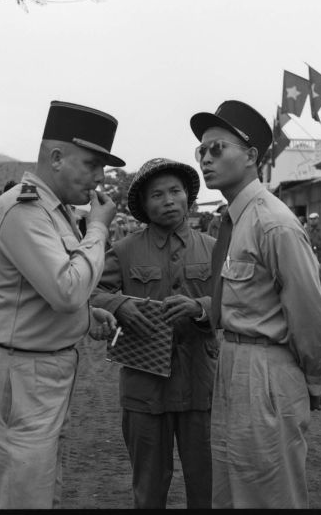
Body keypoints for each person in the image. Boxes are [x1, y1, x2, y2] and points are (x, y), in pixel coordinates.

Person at [0, 100, 124, 509]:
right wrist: (99, 229)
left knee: (36, 491)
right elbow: (66, 291)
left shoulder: (55, 211)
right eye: (91, 164)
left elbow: (34, 293)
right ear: (56, 157)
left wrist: (87, 316)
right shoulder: (25, 209)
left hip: (32, 369)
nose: (99, 177)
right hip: (17, 373)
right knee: (16, 496)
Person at [190, 100, 321, 509]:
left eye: (217, 148)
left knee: (269, 493)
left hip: (265, 371)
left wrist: (312, 377)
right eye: (200, 151)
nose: (206, 158)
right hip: (234, 364)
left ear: (251, 156)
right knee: (231, 491)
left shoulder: (272, 223)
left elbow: (312, 313)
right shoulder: (235, 219)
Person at [91, 158, 218, 509]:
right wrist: (118, 306)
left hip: (200, 384)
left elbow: (236, 302)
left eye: (176, 191)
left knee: (206, 483)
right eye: (158, 195)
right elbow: (89, 291)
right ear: (144, 206)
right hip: (144, 387)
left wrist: (201, 307)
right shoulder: (125, 249)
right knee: (148, 486)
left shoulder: (212, 247)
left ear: (188, 197)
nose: (169, 200)